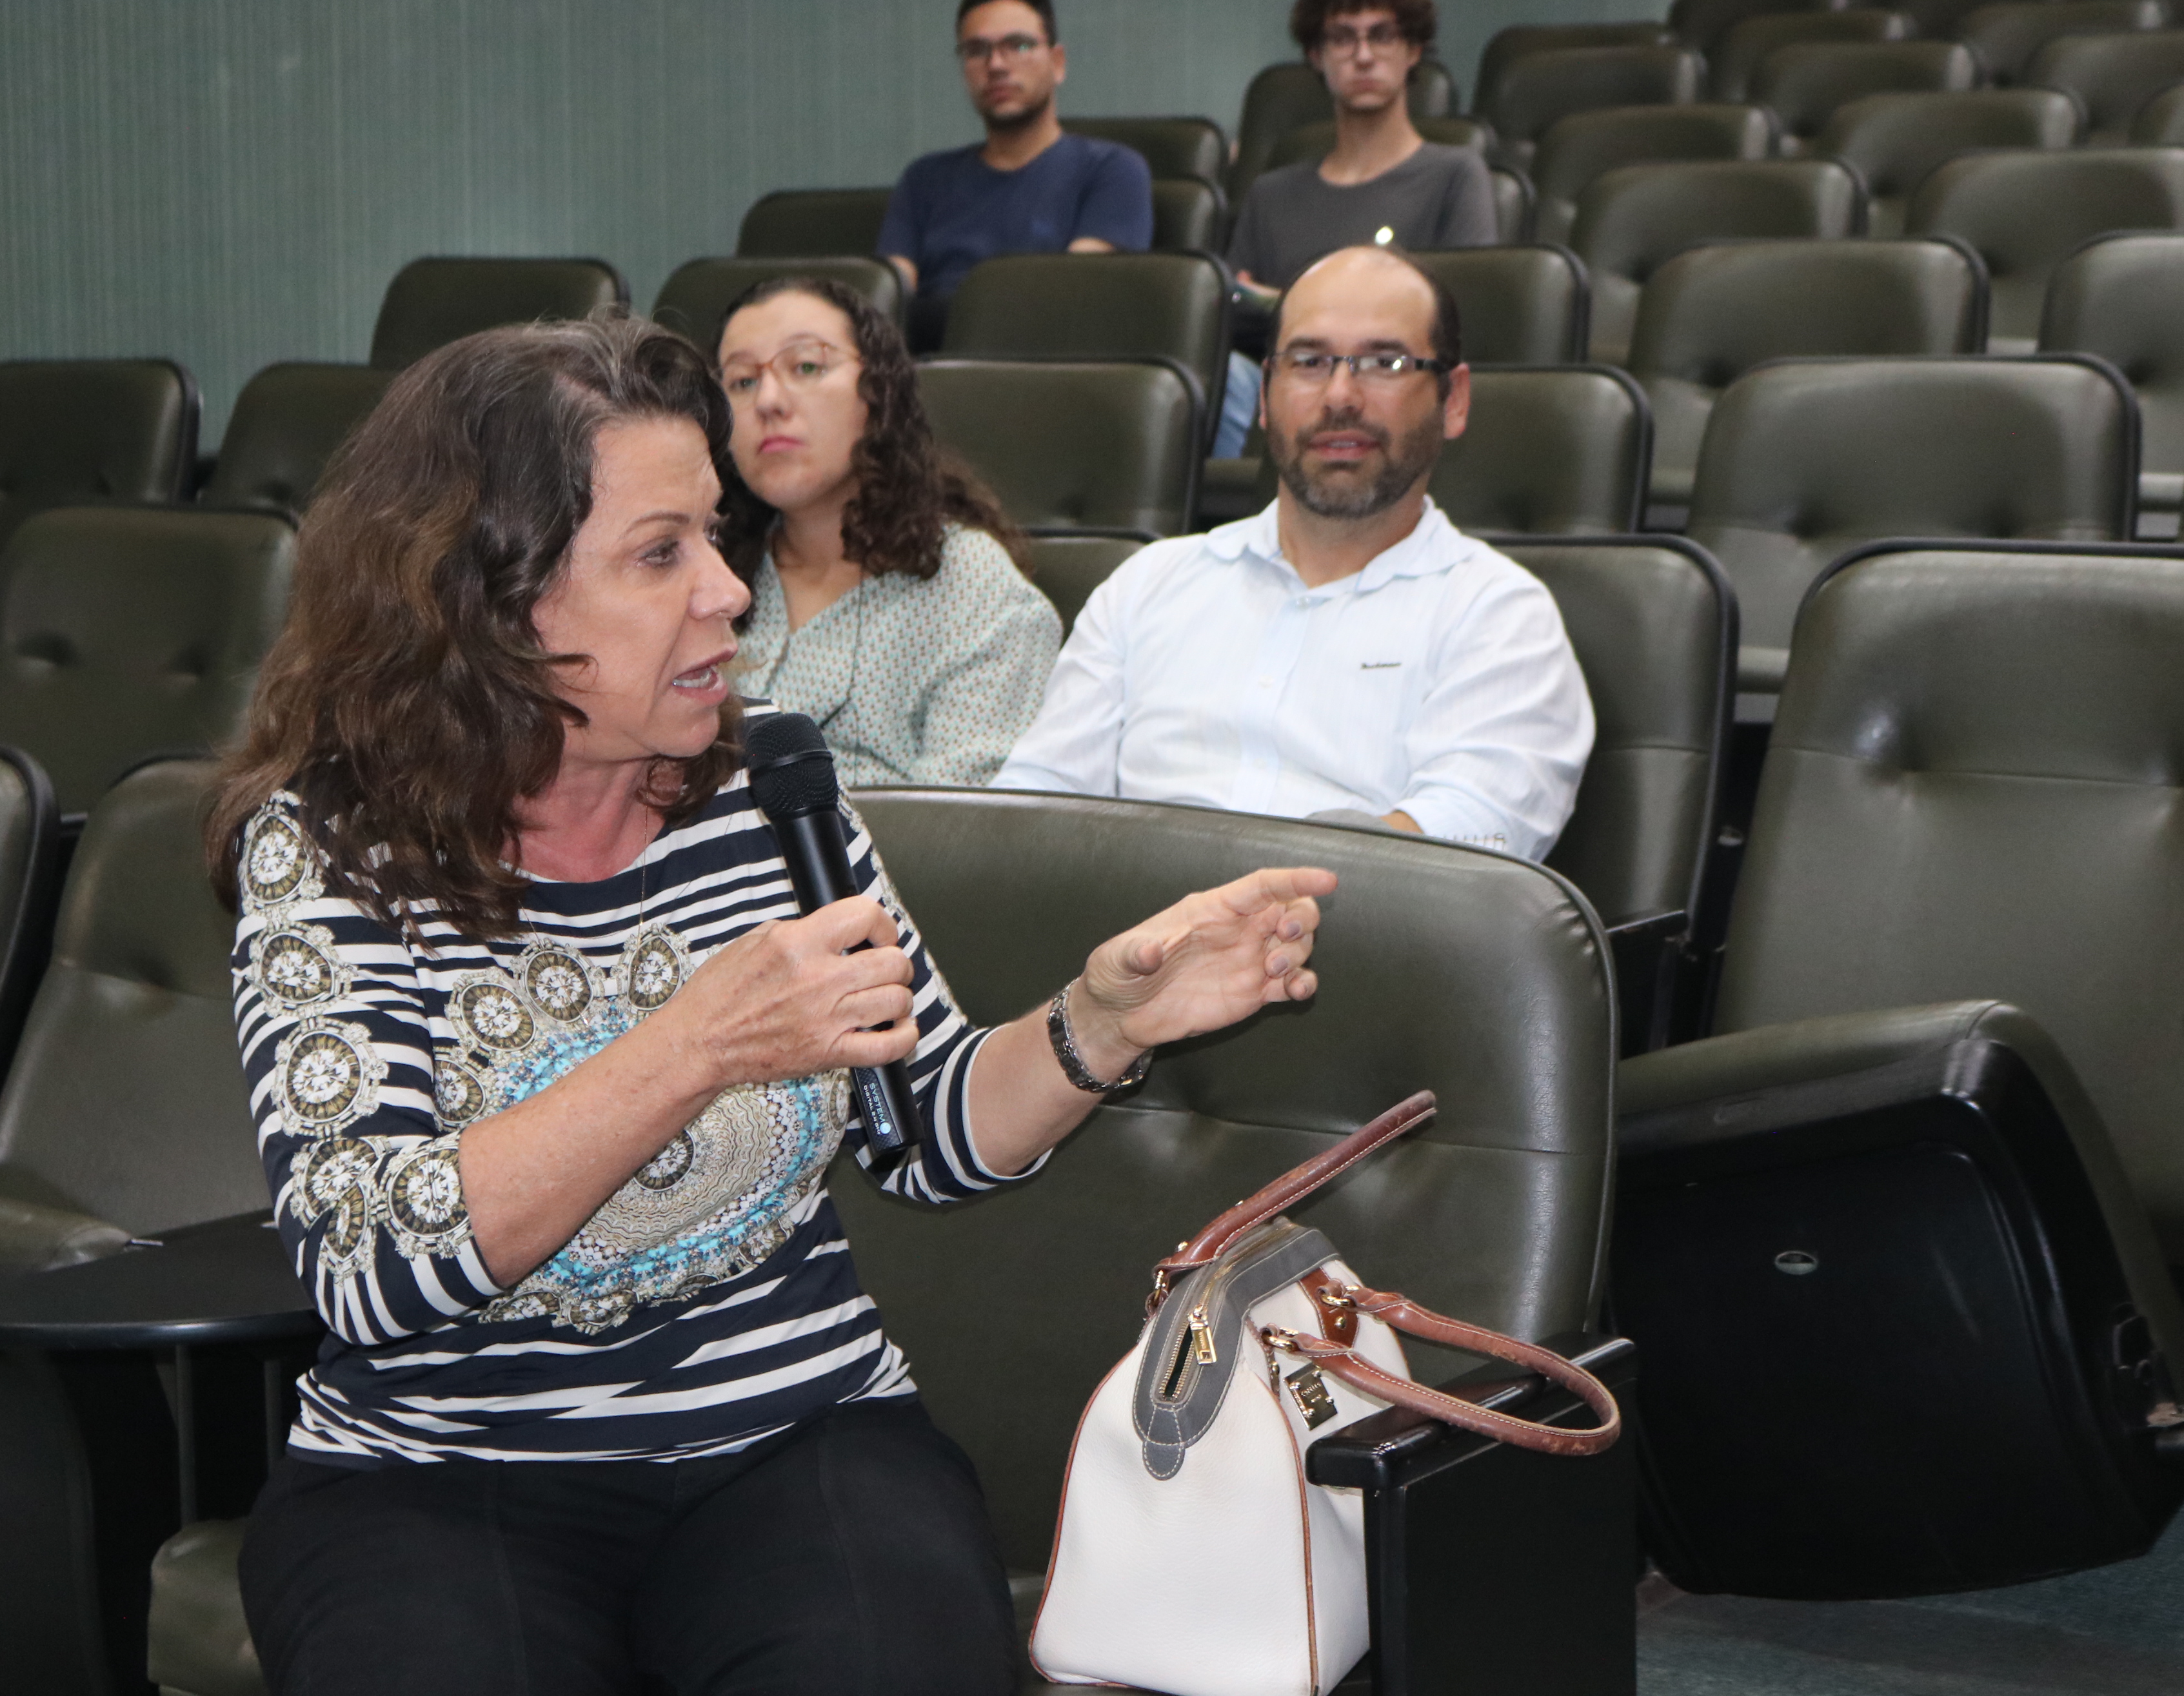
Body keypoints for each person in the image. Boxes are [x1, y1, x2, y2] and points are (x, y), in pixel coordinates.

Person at [206, 313, 1333, 1695]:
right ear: (493, 599)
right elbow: (366, 1263)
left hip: (796, 1434)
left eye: (714, 538)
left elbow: (922, 1128)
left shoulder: (768, 797)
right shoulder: (334, 847)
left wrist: (1102, 1021)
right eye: (658, 554)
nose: (731, 595)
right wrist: (692, 1046)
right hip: (443, 1475)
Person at [997, 246, 1593, 860]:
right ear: (1263, 397)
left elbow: (1466, 849)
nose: (1340, 395)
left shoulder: (1500, 615)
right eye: (1309, 361)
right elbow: (1035, 805)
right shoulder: (1149, 583)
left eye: (1383, 362)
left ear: (1454, 399)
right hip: (1124, 943)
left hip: (1356, 941)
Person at [717, 275, 1060, 787]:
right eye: (742, 381)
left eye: (806, 366)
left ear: (879, 391)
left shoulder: (973, 591)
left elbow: (963, 840)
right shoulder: (704, 578)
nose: (768, 400)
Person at [1215, 0, 1498, 456]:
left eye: (1382, 36)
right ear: (1316, 55)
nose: (1363, 56)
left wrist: (1282, 301)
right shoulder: (1273, 193)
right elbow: (1233, 308)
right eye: (1343, 39)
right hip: (1285, 398)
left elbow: (1459, 314)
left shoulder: (1456, 174)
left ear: (1413, 50)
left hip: (1392, 393)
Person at [879, 0, 1152, 350]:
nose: (996, 65)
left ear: (1058, 63)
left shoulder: (1113, 171)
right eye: (977, 50)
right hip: (926, 373)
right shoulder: (924, 179)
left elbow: (1071, 302)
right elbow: (884, 301)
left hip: (1041, 376)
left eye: (1018, 45)